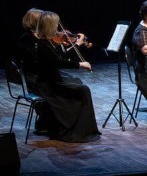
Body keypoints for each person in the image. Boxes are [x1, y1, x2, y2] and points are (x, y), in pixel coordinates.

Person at [34, 10, 101, 143]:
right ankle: (77, 131)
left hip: (52, 81)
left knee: (80, 86)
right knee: (83, 90)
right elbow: (58, 63)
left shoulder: (48, 43)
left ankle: (83, 129)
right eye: (55, 25)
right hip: (49, 86)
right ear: (49, 26)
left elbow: (62, 58)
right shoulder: (43, 45)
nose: (58, 28)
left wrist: (76, 46)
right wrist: (80, 64)